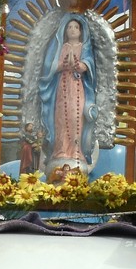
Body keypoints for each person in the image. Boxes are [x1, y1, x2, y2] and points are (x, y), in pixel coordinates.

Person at [38, 15, 95, 168]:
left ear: (81, 31)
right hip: (62, 87)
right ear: (65, 30)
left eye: (76, 27)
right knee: (61, 118)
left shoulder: (84, 47)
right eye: (69, 27)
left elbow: (89, 65)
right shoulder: (61, 47)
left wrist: (80, 65)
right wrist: (62, 64)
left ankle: (76, 151)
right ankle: (61, 150)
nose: (72, 30)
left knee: (75, 117)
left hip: (77, 87)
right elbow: (51, 66)